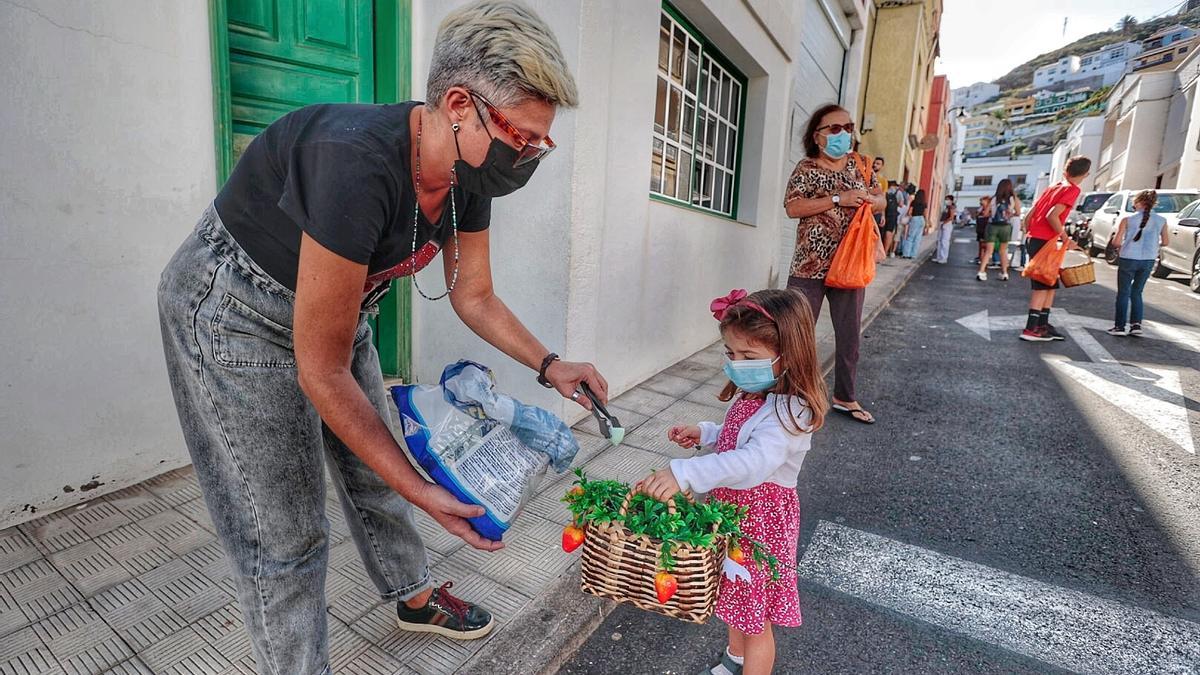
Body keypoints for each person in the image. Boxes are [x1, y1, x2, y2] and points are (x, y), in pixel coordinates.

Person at [156, 2, 609, 672]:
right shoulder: (354, 164)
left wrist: (551, 363)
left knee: (382, 465)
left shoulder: (466, 173)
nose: (531, 156)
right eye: (525, 138)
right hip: (234, 308)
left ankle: (413, 594)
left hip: (340, 311)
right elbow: (322, 370)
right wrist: (425, 490)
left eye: (542, 143)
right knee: (285, 530)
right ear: (461, 104)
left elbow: (474, 294)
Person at [636, 288, 828, 675]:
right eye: (731, 354)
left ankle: (749, 660)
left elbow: (755, 461)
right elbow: (739, 433)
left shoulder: (794, 411)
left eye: (749, 357)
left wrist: (684, 472)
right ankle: (735, 659)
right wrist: (706, 432)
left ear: (788, 355)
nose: (737, 364)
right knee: (735, 595)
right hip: (733, 516)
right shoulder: (759, 393)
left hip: (761, 527)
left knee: (756, 619)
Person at [783, 103, 885, 424]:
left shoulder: (860, 166)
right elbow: (793, 207)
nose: (845, 134)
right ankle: (790, 396)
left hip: (850, 264)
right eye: (836, 129)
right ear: (818, 135)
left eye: (849, 127)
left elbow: (881, 199)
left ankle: (844, 396)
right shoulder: (806, 168)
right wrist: (838, 199)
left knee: (850, 336)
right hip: (809, 265)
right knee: (795, 333)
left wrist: (870, 199)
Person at [1019, 156, 1092, 342]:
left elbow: (1030, 215)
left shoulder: (1053, 187)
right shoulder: (1072, 190)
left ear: (1065, 170)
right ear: (1086, 174)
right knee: (1042, 286)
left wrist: (1031, 233)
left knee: (1050, 284)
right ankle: (1030, 329)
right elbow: (1053, 216)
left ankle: (1042, 324)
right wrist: (1066, 239)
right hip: (1044, 240)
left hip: (1036, 238)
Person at [1108, 190, 1169, 337]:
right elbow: (1166, 242)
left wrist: (1121, 246)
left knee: (1123, 292)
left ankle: (1119, 326)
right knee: (1137, 292)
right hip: (1148, 259)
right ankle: (1136, 325)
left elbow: (1116, 242)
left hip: (1128, 258)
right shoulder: (1161, 220)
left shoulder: (1127, 219)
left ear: (1138, 202)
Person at [977, 179, 1020, 281]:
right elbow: (1018, 213)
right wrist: (1009, 215)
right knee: (1003, 251)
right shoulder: (1013, 199)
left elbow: (986, 213)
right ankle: (1004, 273)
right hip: (1005, 227)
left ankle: (981, 272)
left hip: (993, 226)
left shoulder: (994, 199)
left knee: (988, 251)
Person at [900, 188, 928, 258]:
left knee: (910, 237)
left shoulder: (914, 202)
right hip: (921, 219)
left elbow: (910, 212)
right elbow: (925, 214)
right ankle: (913, 255)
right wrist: (926, 222)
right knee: (917, 238)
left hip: (914, 219)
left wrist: (909, 217)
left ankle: (906, 254)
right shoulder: (924, 203)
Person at [934, 194, 956, 264]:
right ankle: (938, 257)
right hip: (942, 223)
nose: (946, 201)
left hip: (947, 224)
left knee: (944, 241)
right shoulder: (946, 207)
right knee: (939, 240)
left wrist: (944, 223)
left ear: (951, 200)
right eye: (946, 199)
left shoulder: (952, 207)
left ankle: (943, 258)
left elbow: (951, 217)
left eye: (947, 199)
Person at [883, 182, 902, 258]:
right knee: (889, 233)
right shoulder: (898, 193)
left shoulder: (886, 191)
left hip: (885, 213)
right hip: (892, 216)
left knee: (882, 233)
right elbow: (901, 204)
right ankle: (885, 251)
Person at [973, 196, 992, 264]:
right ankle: (980, 257)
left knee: (985, 245)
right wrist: (979, 210)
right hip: (980, 229)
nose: (981, 202)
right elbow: (976, 215)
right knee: (980, 245)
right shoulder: (980, 209)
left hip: (986, 229)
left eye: (983, 201)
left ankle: (984, 259)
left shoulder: (990, 210)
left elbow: (986, 215)